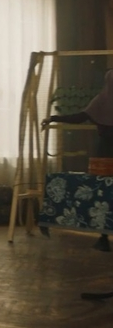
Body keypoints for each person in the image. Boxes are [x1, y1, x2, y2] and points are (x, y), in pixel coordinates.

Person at [41, 69, 113, 252]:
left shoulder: (100, 100)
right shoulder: (100, 100)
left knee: (102, 193)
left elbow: (79, 117)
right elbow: (80, 117)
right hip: (104, 154)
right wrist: (53, 118)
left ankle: (104, 237)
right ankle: (104, 237)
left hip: (104, 153)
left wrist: (53, 118)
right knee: (104, 192)